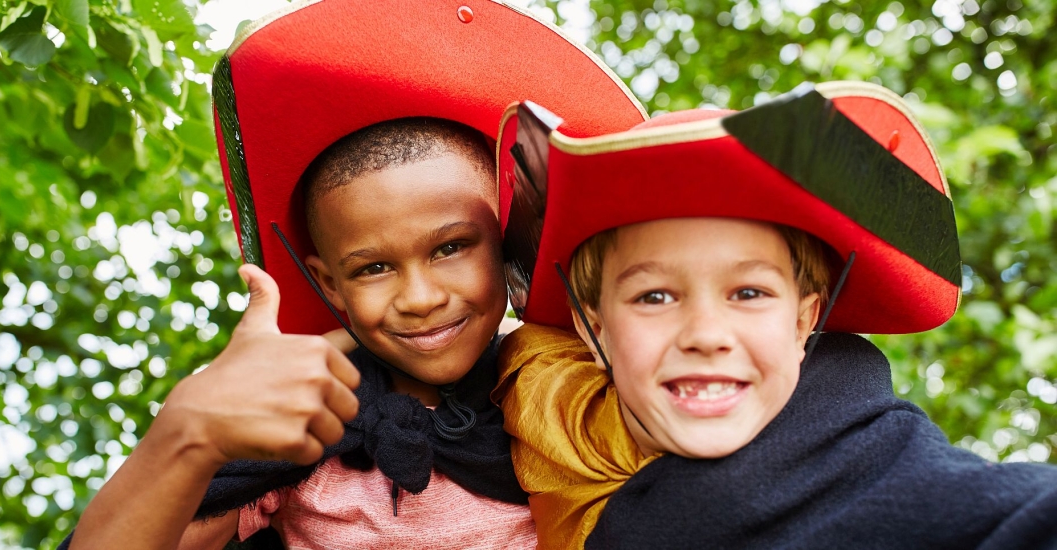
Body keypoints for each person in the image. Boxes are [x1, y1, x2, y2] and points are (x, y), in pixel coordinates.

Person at [62, 0, 646, 548]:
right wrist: (190, 429)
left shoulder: (569, 383)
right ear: (327, 282)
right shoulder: (295, 415)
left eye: (450, 248)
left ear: (506, 239)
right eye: (373, 268)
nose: (419, 298)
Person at [492, 81, 1057, 548]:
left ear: (804, 321)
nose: (707, 335)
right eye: (655, 297)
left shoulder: (877, 465)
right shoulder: (543, 408)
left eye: (749, 294)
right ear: (595, 331)